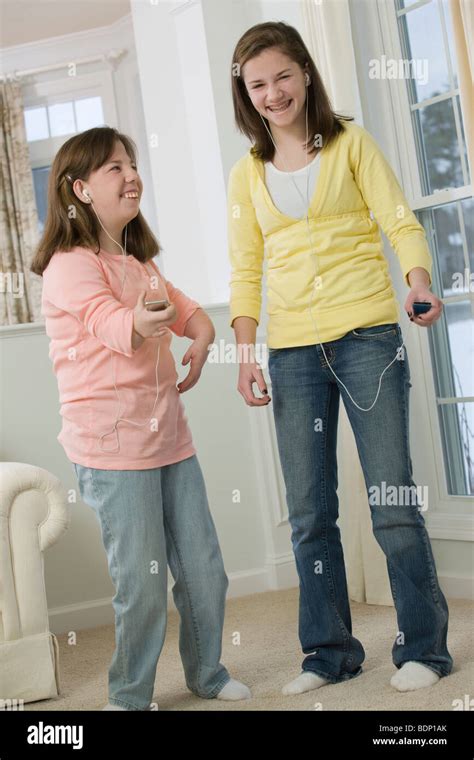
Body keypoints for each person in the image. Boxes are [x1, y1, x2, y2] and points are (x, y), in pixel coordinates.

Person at [227, 21, 453, 694]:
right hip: (292, 351)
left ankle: (425, 648)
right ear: (246, 93)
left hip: (366, 339)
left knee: (390, 500)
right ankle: (329, 652)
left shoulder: (350, 143)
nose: (273, 94)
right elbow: (245, 271)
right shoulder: (247, 175)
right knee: (309, 513)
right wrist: (246, 354)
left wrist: (417, 282)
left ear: (305, 72)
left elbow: (399, 220)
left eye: (282, 77)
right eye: (257, 85)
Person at [31, 126, 250, 710]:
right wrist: (149, 319)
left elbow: (186, 310)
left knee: (205, 571)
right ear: (80, 189)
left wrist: (202, 337)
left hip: (169, 439)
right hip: (111, 448)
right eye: (114, 169)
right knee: (143, 584)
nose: (131, 176)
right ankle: (128, 697)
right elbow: (115, 326)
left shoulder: (136, 259)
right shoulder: (68, 264)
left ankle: (207, 673)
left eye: (132, 164)